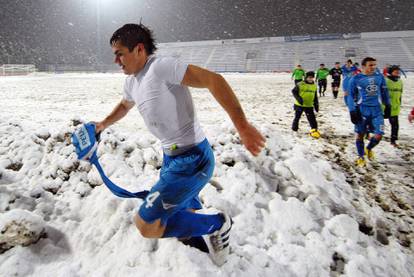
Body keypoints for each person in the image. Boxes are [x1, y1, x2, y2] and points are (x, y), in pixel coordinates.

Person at [94, 23, 266, 265]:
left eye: (120, 53)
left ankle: (218, 224)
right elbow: (125, 105)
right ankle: (202, 253)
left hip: (193, 160)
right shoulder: (132, 82)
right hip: (171, 159)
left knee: (146, 224)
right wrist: (102, 124)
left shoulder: (161, 67)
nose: (116, 60)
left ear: (139, 49)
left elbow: (213, 80)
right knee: (184, 215)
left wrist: (242, 126)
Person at [346, 57, 391, 167]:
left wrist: (388, 105)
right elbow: (350, 96)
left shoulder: (379, 77)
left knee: (379, 134)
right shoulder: (356, 78)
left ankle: (369, 148)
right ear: (363, 66)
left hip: (377, 110)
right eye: (370, 65)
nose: (373, 67)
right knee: (360, 134)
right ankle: (361, 156)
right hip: (362, 110)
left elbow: (384, 92)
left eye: (374, 65)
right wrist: (352, 111)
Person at [291, 71, 320, 138]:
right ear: (306, 77)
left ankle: (314, 130)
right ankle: (294, 129)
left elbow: (315, 96)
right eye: (309, 77)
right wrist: (299, 98)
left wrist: (316, 104)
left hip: (309, 105)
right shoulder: (300, 84)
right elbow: (294, 91)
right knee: (297, 117)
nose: (310, 79)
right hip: (299, 105)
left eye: (312, 77)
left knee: (312, 119)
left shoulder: (314, 85)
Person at [385, 65, 403, 147]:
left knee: (395, 125)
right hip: (384, 107)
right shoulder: (386, 81)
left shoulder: (400, 82)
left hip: (395, 107)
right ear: (390, 73)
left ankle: (393, 140)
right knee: (375, 122)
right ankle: (367, 133)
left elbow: (400, 94)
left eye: (398, 72)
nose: (397, 74)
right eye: (395, 72)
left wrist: (399, 102)